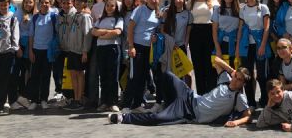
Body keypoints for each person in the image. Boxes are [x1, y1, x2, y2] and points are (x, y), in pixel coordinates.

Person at [108, 55, 252, 127]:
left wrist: (236, 123)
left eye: (240, 80)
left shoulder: (238, 97)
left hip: (190, 112)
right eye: (236, 77)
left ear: (243, 84)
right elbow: (215, 60)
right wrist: (232, 70)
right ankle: (166, 103)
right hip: (190, 96)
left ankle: (123, 118)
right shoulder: (225, 80)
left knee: (158, 119)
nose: (236, 80)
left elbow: (248, 115)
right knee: (167, 75)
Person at [121, 0, 160, 112]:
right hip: (137, 47)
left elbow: (157, 29)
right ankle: (126, 105)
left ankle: (137, 104)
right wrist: (131, 46)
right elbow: (131, 28)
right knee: (134, 76)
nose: (153, 0)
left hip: (150, 49)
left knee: (143, 77)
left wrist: (156, 36)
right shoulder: (140, 10)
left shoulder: (158, 13)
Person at [18, 0, 58, 110]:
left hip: (48, 51)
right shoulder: (35, 17)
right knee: (35, 76)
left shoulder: (53, 16)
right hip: (36, 50)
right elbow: (31, 35)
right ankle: (34, 100)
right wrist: (30, 51)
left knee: (46, 76)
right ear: (39, 5)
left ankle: (44, 99)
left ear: (50, 4)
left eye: (47, 3)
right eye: (42, 3)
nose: (44, 5)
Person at [237, 0, 271, 108]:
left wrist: (262, 45)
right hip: (246, 45)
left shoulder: (263, 8)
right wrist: (237, 48)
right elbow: (240, 29)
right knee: (247, 74)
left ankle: (264, 99)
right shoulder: (243, 9)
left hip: (259, 44)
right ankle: (251, 102)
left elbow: (266, 28)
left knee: (262, 75)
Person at [59, 0, 92, 111]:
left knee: (79, 74)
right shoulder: (75, 15)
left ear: (85, 3)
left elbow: (87, 35)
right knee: (73, 74)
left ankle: (79, 99)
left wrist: (85, 51)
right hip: (71, 50)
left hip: (80, 51)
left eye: (80, 1)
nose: (77, 3)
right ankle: (75, 98)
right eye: (76, 0)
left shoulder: (85, 17)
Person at [92, 0, 123, 112]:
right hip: (101, 49)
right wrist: (107, 32)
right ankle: (104, 101)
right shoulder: (100, 19)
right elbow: (93, 31)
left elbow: (117, 32)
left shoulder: (118, 19)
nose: (109, 8)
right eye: (108, 6)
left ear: (116, 7)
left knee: (113, 76)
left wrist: (102, 34)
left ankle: (113, 102)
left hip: (113, 48)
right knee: (103, 76)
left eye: (112, 6)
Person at [187, 0, 217, 95]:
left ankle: (211, 94)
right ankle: (200, 94)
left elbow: (219, 16)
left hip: (209, 32)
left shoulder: (213, 0)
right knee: (198, 66)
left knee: (209, 65)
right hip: (195, 34)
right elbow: (180, 11)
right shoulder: (191, 2)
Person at [9, 0, 35, 110]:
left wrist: (30, 49)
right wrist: (18, 46)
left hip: (29, 45)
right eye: (26, 2)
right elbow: (15, 30)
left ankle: (23, 96)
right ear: (23, 3)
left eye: (30, 2)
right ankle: (13, 99)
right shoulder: (18, 13)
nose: (28, 4)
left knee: (27, 72)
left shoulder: (34, 15)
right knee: (16, 73)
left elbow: (31, 33)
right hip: (19, 45)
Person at [213, 0, 242, 68]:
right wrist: (218, 49)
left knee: (235, 69)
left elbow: (240, 30)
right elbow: (214, 31)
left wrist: (238, 48)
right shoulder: (217, 10)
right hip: (222, 43)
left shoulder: (240, 10)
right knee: (223, 71)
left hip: (235, 43)